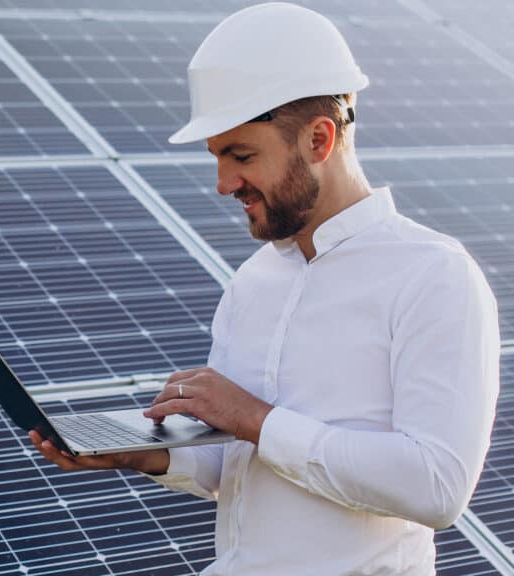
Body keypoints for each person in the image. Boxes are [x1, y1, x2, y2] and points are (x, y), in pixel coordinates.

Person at [29, 3, 500, 574]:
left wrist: (254, 416)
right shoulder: (254, 280)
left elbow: (436, 487)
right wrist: (149, 454)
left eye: (241, 155)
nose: (225, 183)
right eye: (217, 157)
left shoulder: (434, 276)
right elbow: (243, 469)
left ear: (319, 139)